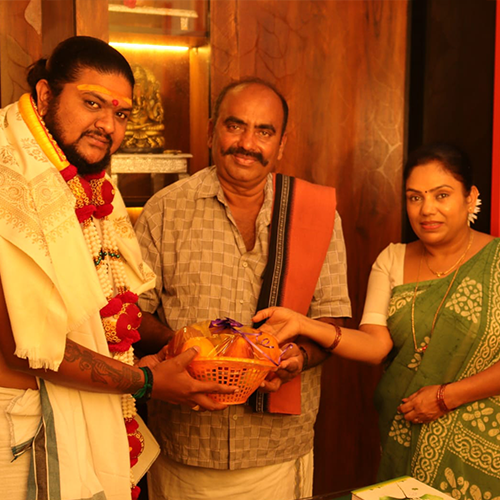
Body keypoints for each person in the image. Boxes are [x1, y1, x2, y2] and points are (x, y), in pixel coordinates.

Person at [0, 36, 234, 500]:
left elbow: (105, 312)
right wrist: (146, 382)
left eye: (121, 113)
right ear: (45, 96)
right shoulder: (11, 183)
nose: (108, 125)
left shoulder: (85, 181)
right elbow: (23, 348)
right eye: (92, 103)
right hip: (16, 428)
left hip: (69, 415)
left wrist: (180, 348)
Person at [134, 78, 351, 500]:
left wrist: (298, 357)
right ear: (212, 130)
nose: (247, 144)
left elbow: (331, 319)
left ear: (281, 144)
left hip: (276, 448)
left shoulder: (316, 214)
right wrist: (189, 350)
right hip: (186, 448)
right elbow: (131, 315)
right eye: (235, 126)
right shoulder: (165, 210)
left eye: (264, 131)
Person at [254, 143, 500, 497]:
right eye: (415, 198)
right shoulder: (392, 260)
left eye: (441, 195)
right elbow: (375, 346)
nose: (426, 209)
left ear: (470, 197)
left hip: (486, 451)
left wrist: (446, 397)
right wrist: (303, 323)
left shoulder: (496, 261)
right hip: (408, 440)